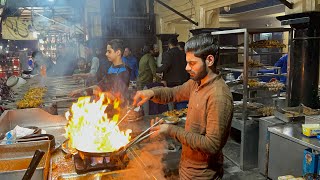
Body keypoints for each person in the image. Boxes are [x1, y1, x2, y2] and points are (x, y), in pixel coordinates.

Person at [133, 33, 233, 179]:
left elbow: (212, 145)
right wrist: (150, 93)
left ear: (209, 60)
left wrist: (171, 130)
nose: (187, 67)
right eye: (187, 62)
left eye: (192, 63)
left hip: (202, 175)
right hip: (187, 168)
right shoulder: (196, 83)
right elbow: (174, 93)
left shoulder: (218, 95)